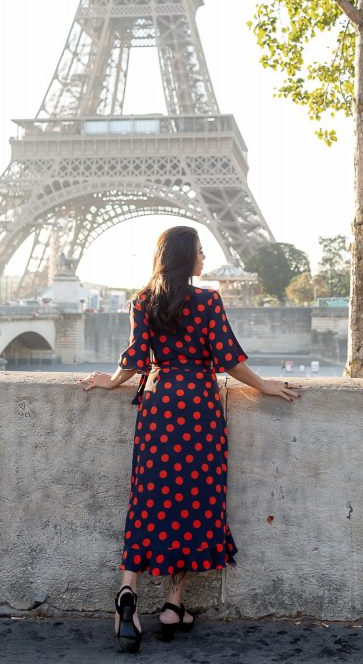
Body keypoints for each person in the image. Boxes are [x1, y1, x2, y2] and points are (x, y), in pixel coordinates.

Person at [79, 225, 301, 652]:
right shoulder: (207, 300)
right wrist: (264, 386)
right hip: (198, 407)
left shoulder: (142, 301)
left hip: (159, 406)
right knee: (194, 502)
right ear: (186, 258)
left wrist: (111, 382)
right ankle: (171, 605)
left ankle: (128, 591)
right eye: (200, 252)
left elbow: (136, 358)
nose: (204, 259)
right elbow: (229, 360)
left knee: (148, 497)